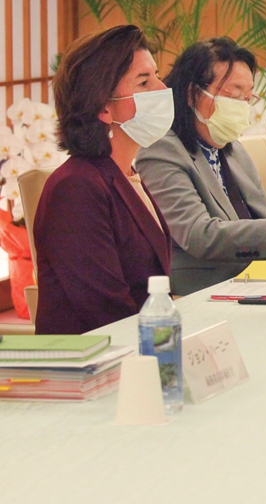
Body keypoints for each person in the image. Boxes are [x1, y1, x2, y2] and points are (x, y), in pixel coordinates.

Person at [139, 38, 266, 296]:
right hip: (201, 292)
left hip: (254, 282)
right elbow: (200, 235)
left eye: (248, 96)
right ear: (192, 94)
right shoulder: (162, 150)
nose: (242, 105)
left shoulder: (231, 149)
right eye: (234, 95)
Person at [33, 25, 174, 334]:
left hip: (140, 348)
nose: (163, 90)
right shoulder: (76, 187)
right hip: (94, 365)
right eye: (144, 81)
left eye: (157, 76)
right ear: (103, 107)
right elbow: (105, 308)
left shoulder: (127, 173)